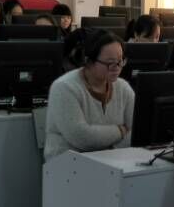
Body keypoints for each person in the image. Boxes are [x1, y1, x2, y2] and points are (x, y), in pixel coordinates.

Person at [44, 30, 135, 160]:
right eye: (110, 63)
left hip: (113, 161)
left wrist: (113, 152)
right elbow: (81, 136)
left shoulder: (123, 87)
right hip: (68, 164)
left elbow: (136, 129)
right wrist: (120, 130)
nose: (117, 67)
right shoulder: (64, 87)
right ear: (88, 61)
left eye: (120, 61)